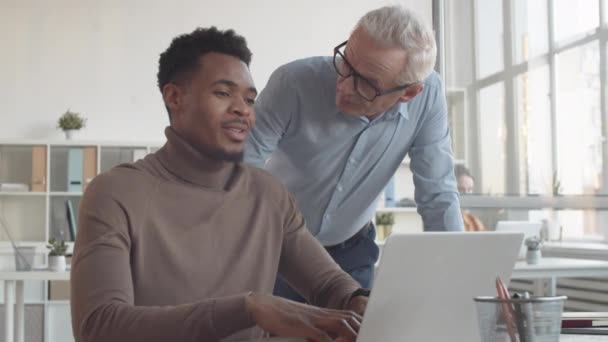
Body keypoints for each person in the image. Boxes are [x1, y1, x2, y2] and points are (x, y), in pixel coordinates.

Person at [70, 27, 369, 342]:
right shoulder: (116, 192)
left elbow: (329, 286)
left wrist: (358, 300)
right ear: (175, 97)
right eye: (223, 93)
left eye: (250, 99)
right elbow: (99, 327)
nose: (242, 108)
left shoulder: (269, 195)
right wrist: (249, 309)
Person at [244, 5, 464, 302]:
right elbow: (241, 169)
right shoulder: (293, 83)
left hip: (351, 251)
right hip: (276, 248)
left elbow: (438, 193)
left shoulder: (428, 98)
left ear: (408, 93)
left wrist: (456, 278)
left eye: (367, 83)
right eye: (346, 63)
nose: (344, 86)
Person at [454, 164, 486, 231]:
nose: (466, 194)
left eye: (469, 189)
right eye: (461, 189)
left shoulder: (474, 222)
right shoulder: (447, 220)